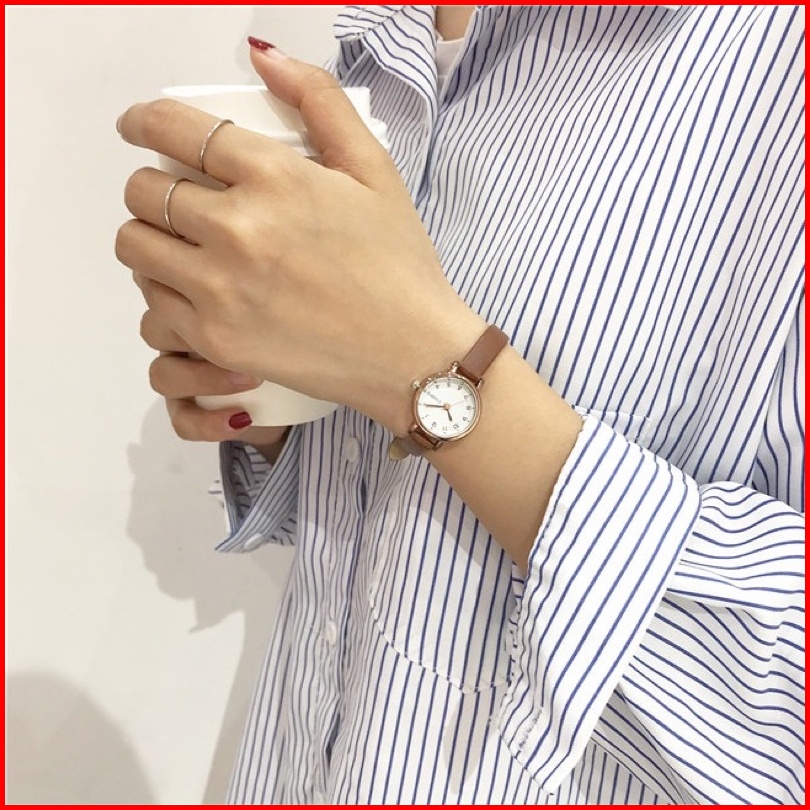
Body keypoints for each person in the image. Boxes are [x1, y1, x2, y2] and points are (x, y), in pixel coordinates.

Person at [116, 5, 805, 804]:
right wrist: (279, 402)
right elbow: (385, 538)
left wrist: (420, 369)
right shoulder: (382, 47)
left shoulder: (773, 67)